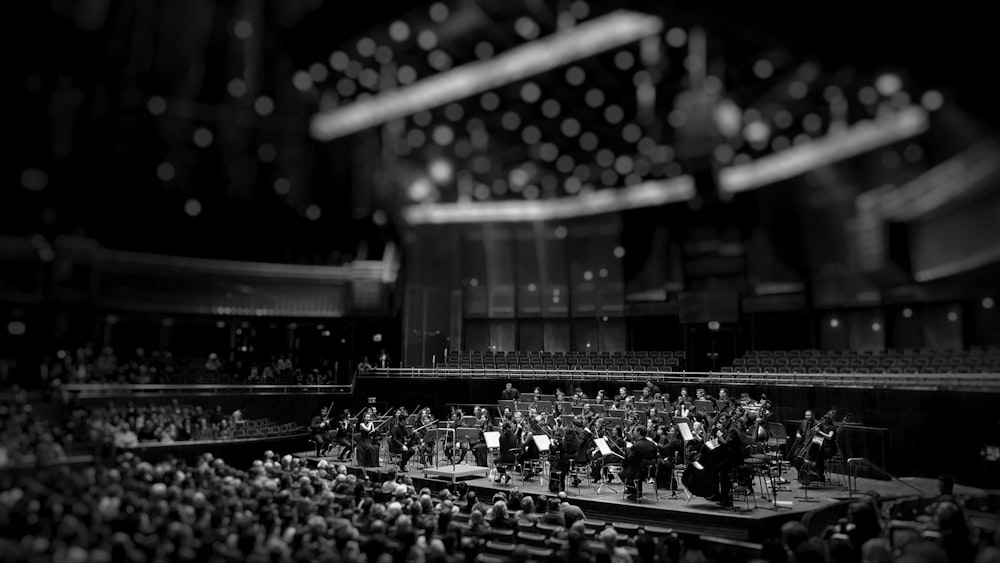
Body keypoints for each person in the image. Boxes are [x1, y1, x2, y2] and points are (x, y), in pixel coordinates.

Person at [623, 426, 658, 501]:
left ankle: (634, 493)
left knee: (622, 473)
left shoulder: (636, 445)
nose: (634, 433)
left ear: (638, 433)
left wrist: (627, 453)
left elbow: (630, 459)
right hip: (651, 470)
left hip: (639, 471)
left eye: (635, 431)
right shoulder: (652, 444)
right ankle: (638, 491)